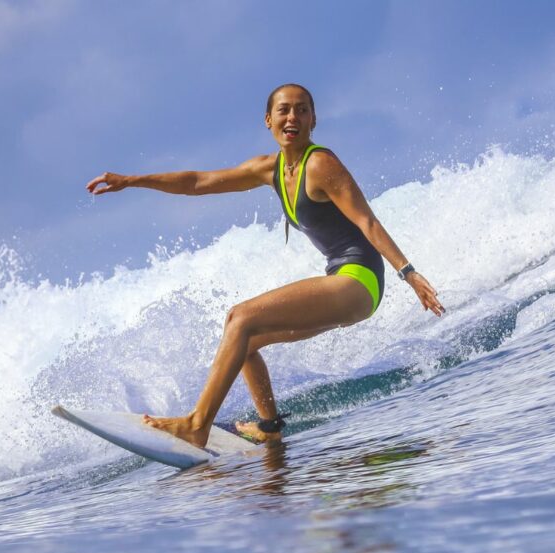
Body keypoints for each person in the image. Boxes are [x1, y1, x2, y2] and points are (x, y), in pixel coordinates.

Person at [86, 83, 444, 448]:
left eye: (302, 110)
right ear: (269, 120)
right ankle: (269, 427)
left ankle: (196, 424)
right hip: (340, 277)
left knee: (241, 317)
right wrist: (131, 181)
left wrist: (408, 273)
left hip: (360, 280)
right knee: (241, 338)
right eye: (285, 110)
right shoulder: (268, 169)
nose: (293, 117)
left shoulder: (321, 164)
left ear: (313, 119)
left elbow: (368, 222)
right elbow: (197, 182)